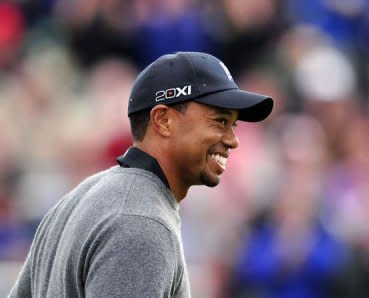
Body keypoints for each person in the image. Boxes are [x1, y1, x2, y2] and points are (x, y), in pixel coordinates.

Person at [8, 52, 274, 298]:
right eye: (220, 121)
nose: (233, 140)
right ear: (163, 120)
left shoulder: (75, 200)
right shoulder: (140, 222)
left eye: (233, 125)